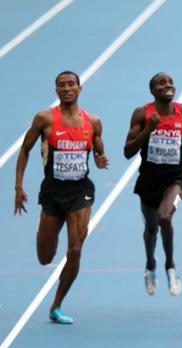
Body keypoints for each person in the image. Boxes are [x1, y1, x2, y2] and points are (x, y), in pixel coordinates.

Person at [14, 71, 109, 324]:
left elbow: (99, 151)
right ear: (56, 91)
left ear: (80, 88)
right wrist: (18, 187)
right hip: (53, 192)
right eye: (61, 85)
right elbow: (25, 149)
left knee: (76, 250)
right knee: (45, 257)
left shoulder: (93, 122)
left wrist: (100, 160)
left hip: (81, 191)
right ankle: (46, 229)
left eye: (71, 84)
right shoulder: (44, 119)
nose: (66, 89)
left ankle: (56, 305)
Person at [124, 72, 182, 297]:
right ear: (153, 91)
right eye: (162, 83)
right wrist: (147, 130)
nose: (168, 84)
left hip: (177, 179)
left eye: (170, 81)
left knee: (165, 217)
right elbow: (128, 151)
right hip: (149, 180)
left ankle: (170, 266)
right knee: (151, 228)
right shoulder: (143, 114)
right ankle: (151, 263)